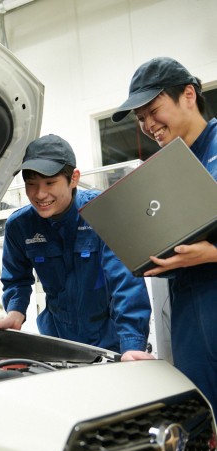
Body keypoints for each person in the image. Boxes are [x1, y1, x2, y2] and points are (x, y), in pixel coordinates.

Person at [0, 134, 153, 361]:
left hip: (111, 342)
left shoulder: (103, 211)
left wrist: (132, 344)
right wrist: (16, 312)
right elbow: (16, 279)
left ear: (73, 178)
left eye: (50, 183)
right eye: (31, 185)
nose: (40, 195)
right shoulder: (20, 226)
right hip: (57, 343)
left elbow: (126, 282)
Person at [111, 56, 217, 413]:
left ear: (188, 95)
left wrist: (212, 254)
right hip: (192, 325)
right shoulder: (167, 171)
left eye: (154, 110)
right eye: (141, 119)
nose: (148, 125)